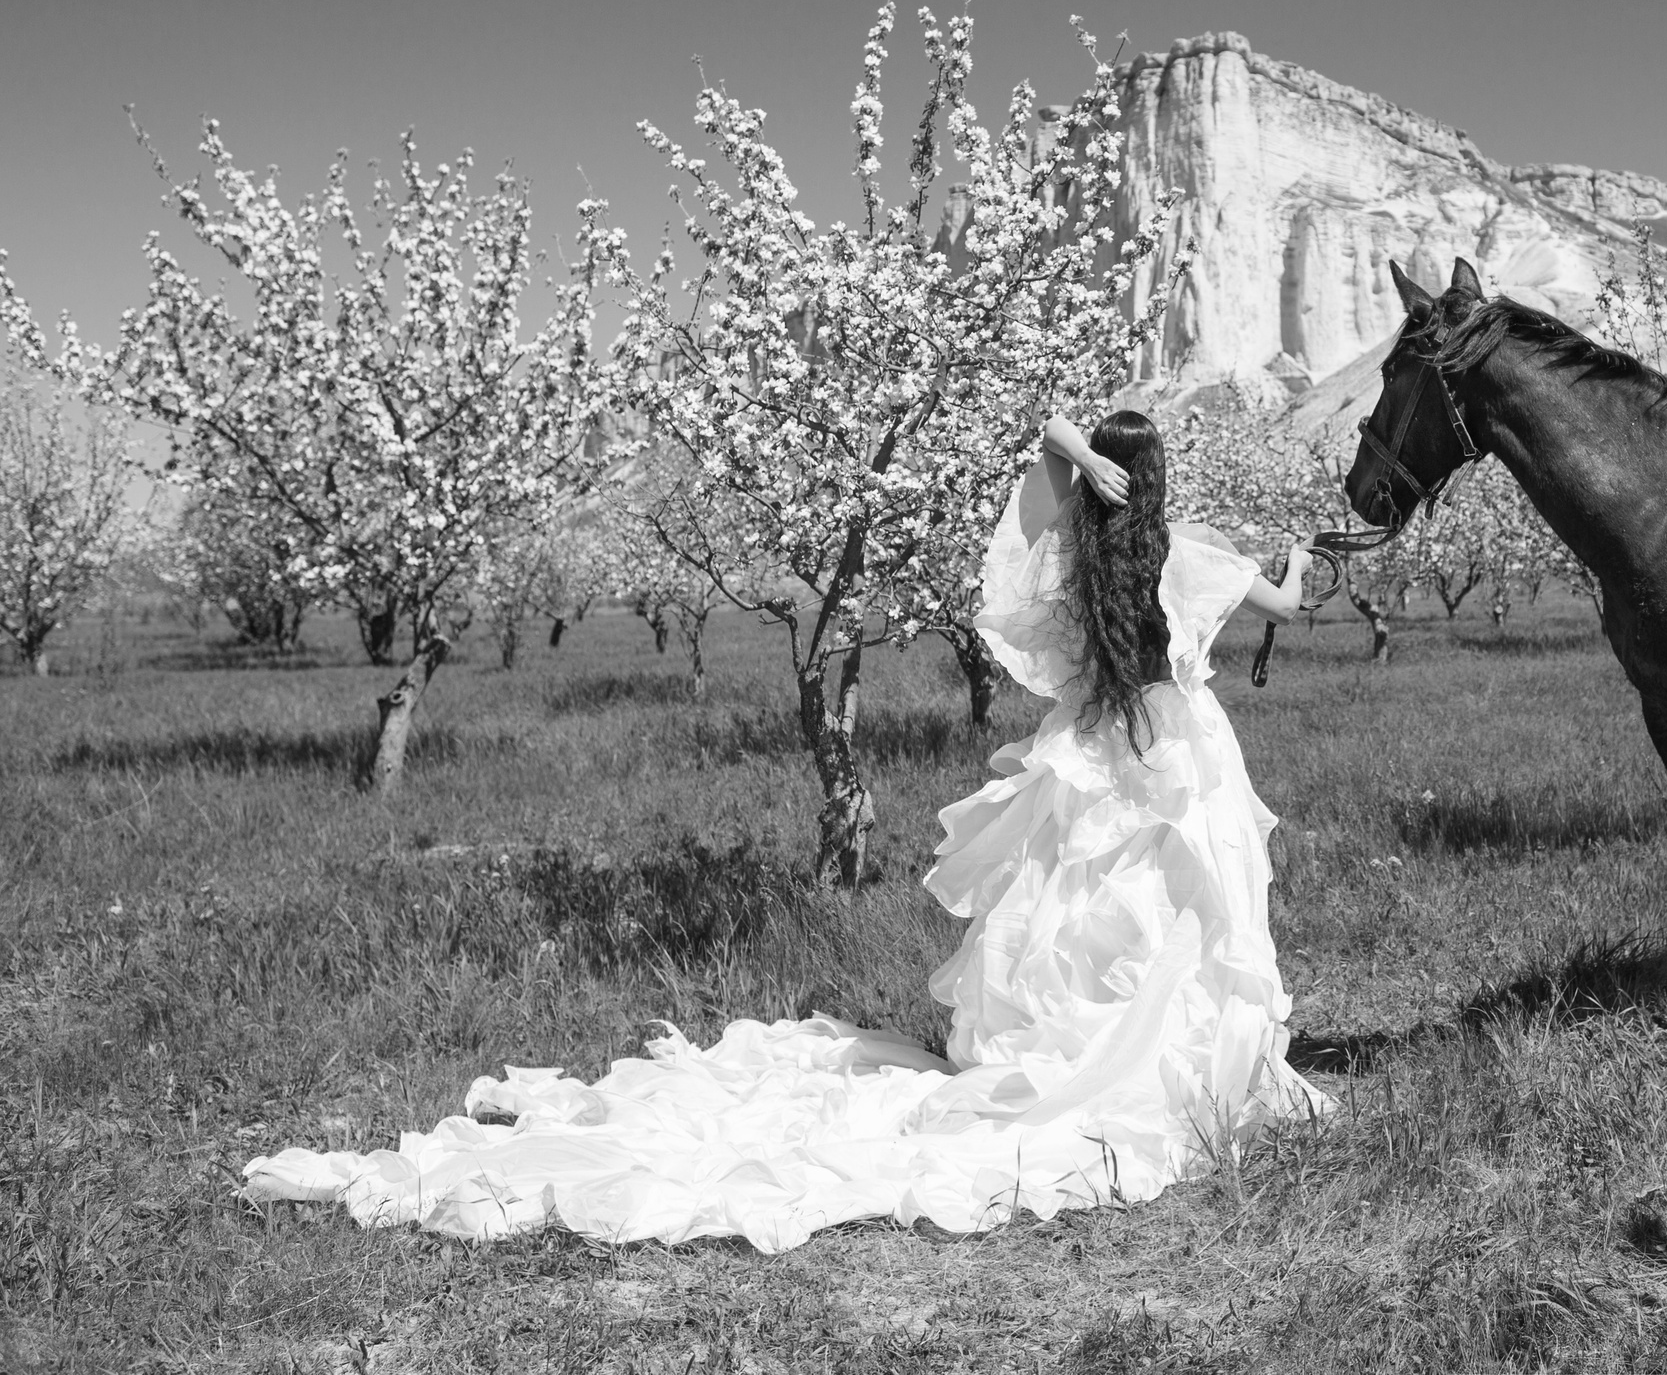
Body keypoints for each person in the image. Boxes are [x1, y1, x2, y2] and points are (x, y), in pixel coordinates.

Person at [242, 410, 1326, 1252]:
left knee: (1070, 910)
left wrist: (1082, 460)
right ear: (1160, 477)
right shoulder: (1188, 555)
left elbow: (1044, 431)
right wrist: (1295, 556)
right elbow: (1285, 603)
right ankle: (1180, 1066)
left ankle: (1066, 1055)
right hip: (1176, 756)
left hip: (1086, 753)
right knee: (1180, 911)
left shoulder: (1072, 559)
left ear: (1099, 476)